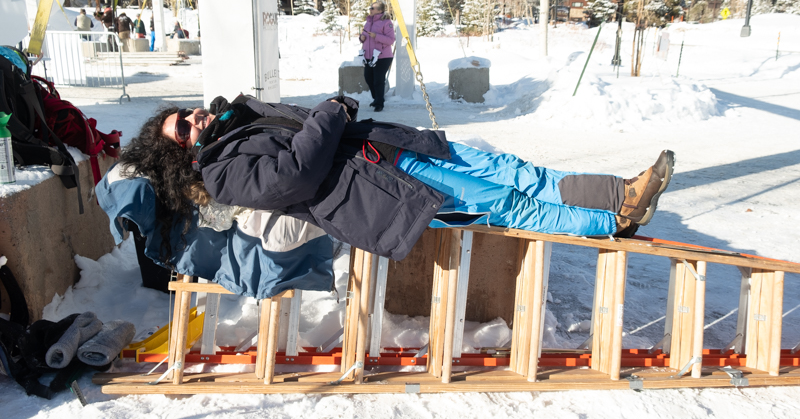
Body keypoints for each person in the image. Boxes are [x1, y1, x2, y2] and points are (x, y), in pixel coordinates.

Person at [118, 95, 674, 263]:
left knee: (513, 170)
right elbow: (294, 176)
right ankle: (607, 221)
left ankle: (619, 193)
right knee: (509, 203)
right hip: (384, 185)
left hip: (391, 146)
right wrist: (331, 112)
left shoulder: (237, 117)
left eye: (185, 115)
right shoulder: (221, 174)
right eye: (182, 131)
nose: (193, 120)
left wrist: (329, 117)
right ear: (185, 157)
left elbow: (301, 130)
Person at [359, 2, 395, 112]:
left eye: (372, 8)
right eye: (370, 8)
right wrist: (362, 38)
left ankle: (379, 103)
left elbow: (390, 40)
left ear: (379, 10)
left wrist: (376, 36)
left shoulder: (387, 22)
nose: (370, 10)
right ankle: (376, 98)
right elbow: (364, 36)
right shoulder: (368, 22)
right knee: (368, 77)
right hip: (369, 55)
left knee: (378, 80)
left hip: (383, 56)